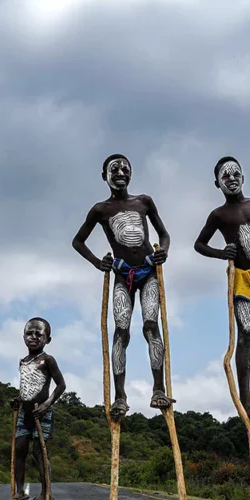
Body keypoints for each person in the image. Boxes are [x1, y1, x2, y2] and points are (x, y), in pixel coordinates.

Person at [72, 154, 169, 419]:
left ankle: (158, 389)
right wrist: (98, 263)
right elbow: (78, 241)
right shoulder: (101, 210)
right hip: (122, 274)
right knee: (121, 331)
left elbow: (164, 234)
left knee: (151, 325)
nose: (121, 172)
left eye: (125, 168)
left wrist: (164, 252)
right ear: (104, 176)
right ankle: (120, 397)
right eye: (114, 169)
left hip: (148, 271)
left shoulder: (144, 202)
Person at [193, 156, 250, 421]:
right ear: (217, 184)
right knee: (246, 333)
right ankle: (247, 400)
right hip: (242, 279)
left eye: (236, 174)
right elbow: (199, 245)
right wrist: (222, 253)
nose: (232, 179)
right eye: (226, 176)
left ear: (243, 177)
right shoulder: (219, 215)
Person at [6, 318, 66, 500]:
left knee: (39, 453)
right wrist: (18, 400)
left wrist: (47, 405)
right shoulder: (23, 362)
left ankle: (46, 493)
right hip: (25, 415)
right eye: (29, 333)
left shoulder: (47, 360)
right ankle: (20, 491)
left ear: (47, 339)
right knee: (20, 449)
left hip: (42, 414)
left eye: (38, 334)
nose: (33, 337)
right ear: (23, 336)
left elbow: (61, 385)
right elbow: (27, 387)